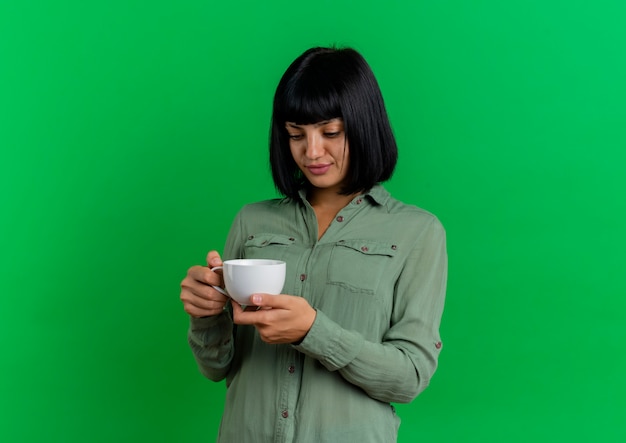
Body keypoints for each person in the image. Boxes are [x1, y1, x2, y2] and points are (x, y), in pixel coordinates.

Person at [180, 46, 448, 443]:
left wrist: (313, 331)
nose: (312, 152)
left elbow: (408, 378)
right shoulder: (252, 221)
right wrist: (206, 314)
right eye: (295, 135)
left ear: (363, 125)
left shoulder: (417, 233)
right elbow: (217, 366)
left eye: (330, 132)